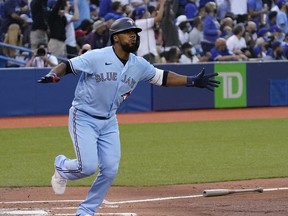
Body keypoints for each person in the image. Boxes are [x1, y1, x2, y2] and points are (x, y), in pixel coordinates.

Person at [37, 17, 220, 216]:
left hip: (109, 122)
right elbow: (68, 65)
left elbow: (163, 77)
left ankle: (86, 210)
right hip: (83, 117)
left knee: (109, 170)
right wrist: (53, 75)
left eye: (135, 33)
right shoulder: (97, 56)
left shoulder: (138, 64)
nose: (133, 36)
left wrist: (192, 81)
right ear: (116, 38)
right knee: (87, 167)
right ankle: (62, 166)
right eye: (128, 32)